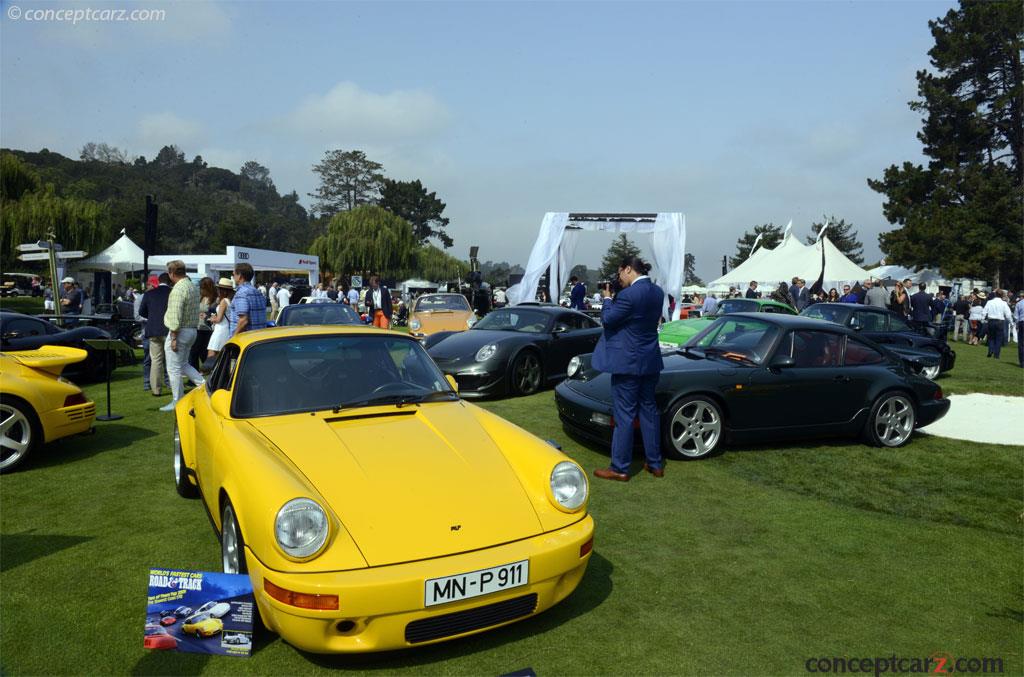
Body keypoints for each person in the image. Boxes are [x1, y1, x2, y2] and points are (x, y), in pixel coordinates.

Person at [592, 256, 665, 481]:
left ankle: (619, 468)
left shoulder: (628, 295)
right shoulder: (657, 292)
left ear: (627, 270)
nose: (619, 278)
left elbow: (608, 319)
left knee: (624, 415)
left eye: (619, 273)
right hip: (650, 359)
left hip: (627, 362)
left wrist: (607, 299)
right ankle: (655, 463)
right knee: (649, 411)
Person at [160, 260, 205, 412]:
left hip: (180, 331)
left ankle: (177, 401)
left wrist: (173, 337)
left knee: (173, 369)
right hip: (192, 330)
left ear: (171, 273)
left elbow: (175, 315)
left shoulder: (178, 289)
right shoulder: (192, 286)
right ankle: (205, 387)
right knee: (184, 365)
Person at [139, 273, 172, 396]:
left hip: (153, 329)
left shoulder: (149, 293)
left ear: (159, 281)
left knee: (156, 361)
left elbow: (141, 311)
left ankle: (156, 390)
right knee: (171, 360)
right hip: (169, 329)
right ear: (170, 281)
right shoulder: (172, 292)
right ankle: (174, 386)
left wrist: (153, 317)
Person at [229, 263, 268, 336]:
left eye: (234, 274)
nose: (233, 277)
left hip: (244, 339)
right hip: (259, 337)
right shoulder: (257, 292)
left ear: (240, 276)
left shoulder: (241, 293)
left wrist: (233, 337)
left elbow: (243, 320)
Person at [205, 277, 235, 362]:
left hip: (220, 330)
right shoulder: (229, 300)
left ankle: (210, 372)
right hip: (226, 329)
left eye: (219, 289)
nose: (218, 291)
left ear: (223, 290)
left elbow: (219, 319)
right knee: (220, 355)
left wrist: (210, 318)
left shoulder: (223, 301)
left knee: (211, 354)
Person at [982, 289, 1013, 359]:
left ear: (995, 294)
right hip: (999, 322)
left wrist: (982, 319)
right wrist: (1011, 322)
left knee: (991, 337)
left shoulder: (989, 302)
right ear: (1002, 295)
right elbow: (1008, 314)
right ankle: (996, 355)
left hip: (991, 321)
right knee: (998, 339)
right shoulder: (1004, 303)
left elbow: (984, 311)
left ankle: (990, 351)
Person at [1015, 293, 1024, 367]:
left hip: (1022, 322)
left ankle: (1022, 362)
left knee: (1021, 343)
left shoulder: (1019, 304)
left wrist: (1016, 324)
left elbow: (1016, 316)